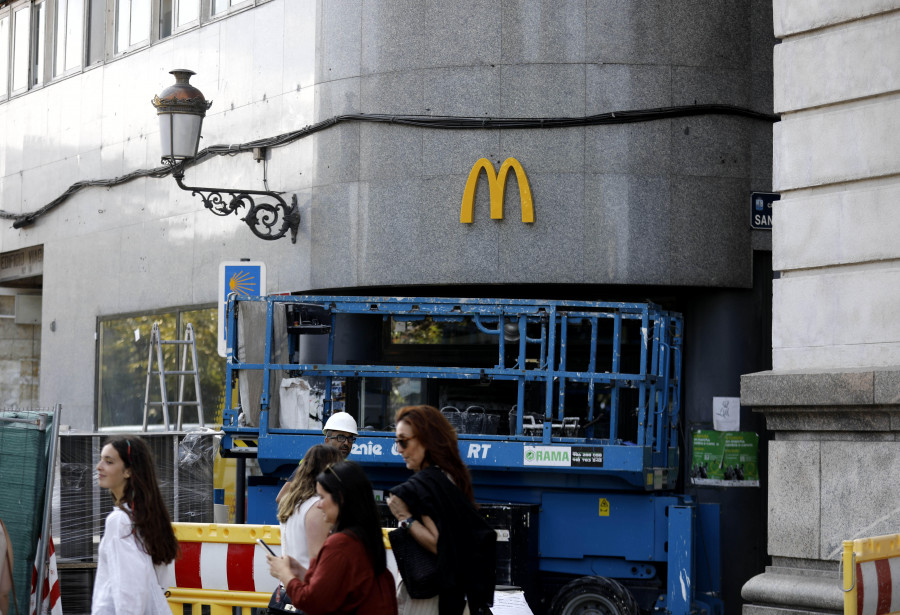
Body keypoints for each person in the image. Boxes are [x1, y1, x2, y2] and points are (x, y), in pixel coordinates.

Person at [387, 405, 496, 615]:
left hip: (429, 598)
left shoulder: (427, 484)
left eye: (403, 441)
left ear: (425, 440)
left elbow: (440, 543)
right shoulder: (450, 477)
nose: (399, 449)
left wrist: (405, 517)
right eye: (396, 441)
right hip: (454, 594)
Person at [267, 461, 397, 615]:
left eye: (321, 497)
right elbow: (332, 584)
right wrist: (300, 572)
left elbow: (312, 601)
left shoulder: (341, 545)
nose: (319, 505)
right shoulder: (362, 537)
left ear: (340, 497)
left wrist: (284, 574)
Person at [92, 436, 179, 615]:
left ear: (128, 471)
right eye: (101, 459)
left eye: (109, 461)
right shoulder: (146, 517)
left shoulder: (120, 521)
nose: (99, 466)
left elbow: (129, 591)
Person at [277, 444, 344, 568]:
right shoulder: (318, 506)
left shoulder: (293, 503)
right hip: (310, 584)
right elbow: (318, 560)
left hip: (289, 583)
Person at [276, 411, 359, 503]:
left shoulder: (347, 469)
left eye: (350, 439)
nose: (346, 443)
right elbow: (282, 498)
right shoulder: (313, 464)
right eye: (341, 437)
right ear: (327, 441)